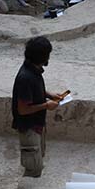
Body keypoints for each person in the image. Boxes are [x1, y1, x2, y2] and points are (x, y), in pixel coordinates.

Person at [12, 36, 64, 177]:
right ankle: (30, 185)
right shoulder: (26, 77)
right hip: (28, 126)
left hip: (37, 124)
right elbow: (22, 109)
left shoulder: (33, 69)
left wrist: (49, 95)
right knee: (33, 162)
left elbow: (34, 92)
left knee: (38, 154)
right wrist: (47, 105)